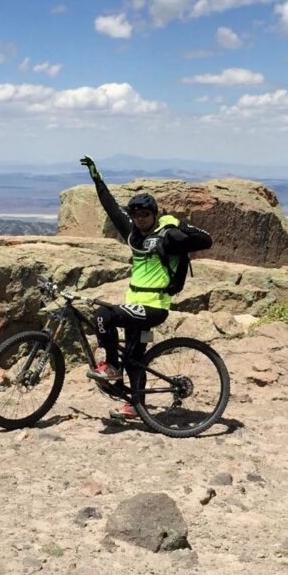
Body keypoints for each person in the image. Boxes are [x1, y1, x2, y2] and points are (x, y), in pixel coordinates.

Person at [78, 156, 212, 405]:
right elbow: (110, 207)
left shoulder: (167, 233)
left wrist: (177, 227)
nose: (139, 218)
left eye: (145, 214)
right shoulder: (133, 234)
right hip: (134, 304)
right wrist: (96, 177)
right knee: (133, 358)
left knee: (103, 315)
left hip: (154, 307)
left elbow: (206, 240)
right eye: (136, 214)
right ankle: (134, 405)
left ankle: (110, 367)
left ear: (154, 214)